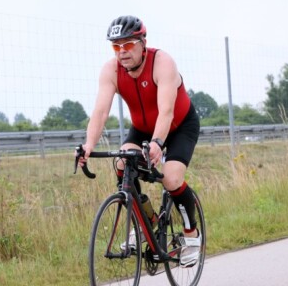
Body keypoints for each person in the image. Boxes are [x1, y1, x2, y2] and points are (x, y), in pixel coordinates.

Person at [79, 15, 201, 268]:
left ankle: (191, 236)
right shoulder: (110, 70)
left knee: (171, 178)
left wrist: (157, 142)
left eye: (128, 45)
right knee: (123, 162)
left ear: (142, 43)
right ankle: (146, 220)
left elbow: (166, 112)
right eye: (116, 46)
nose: (121, 52)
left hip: (179, 126)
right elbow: (100, 112)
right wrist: (89, 144)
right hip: (142, 129)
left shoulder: (162, 62)